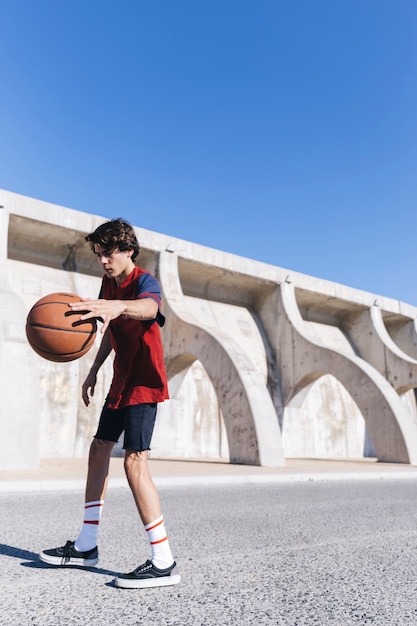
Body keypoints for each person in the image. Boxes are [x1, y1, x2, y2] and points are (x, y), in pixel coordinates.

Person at [40, 218, 180, 589]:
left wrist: (117, 306)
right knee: (99, 448)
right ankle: (87, 545)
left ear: (129, 250)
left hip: (145, 384)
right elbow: (111, 326)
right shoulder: (109, 284)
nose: (104, 260)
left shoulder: (144, 282)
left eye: (111, 253)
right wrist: (94, 370)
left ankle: (163, 560)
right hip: (121, 381)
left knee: (135, 463)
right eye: (100, 254)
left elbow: (149, 310)